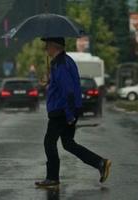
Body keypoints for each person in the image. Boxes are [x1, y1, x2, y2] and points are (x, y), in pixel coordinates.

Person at [35, 37, 111, 187]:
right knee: (68, 143)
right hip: (67, 109)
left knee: (49, 142)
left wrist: (69, 115)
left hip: (62, 111)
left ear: (54, 46)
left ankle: (52, 178)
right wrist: (49, 80)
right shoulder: (62, 62)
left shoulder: (61, 64)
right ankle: (101, 163)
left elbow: (68, 91)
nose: (45, 49)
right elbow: (63, 86)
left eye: (47, 46)